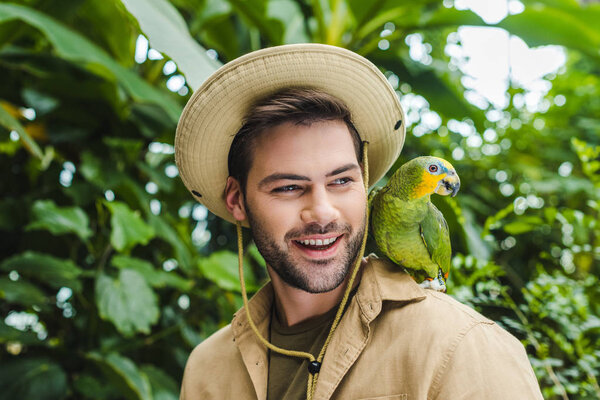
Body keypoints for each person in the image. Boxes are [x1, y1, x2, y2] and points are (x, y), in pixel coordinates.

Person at [175, 44, 543, 400]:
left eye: (341, 181)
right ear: (237, 201)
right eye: (288, 187)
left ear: (365, 184)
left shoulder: (462, 347)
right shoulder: (207, 369)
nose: (322, 212)